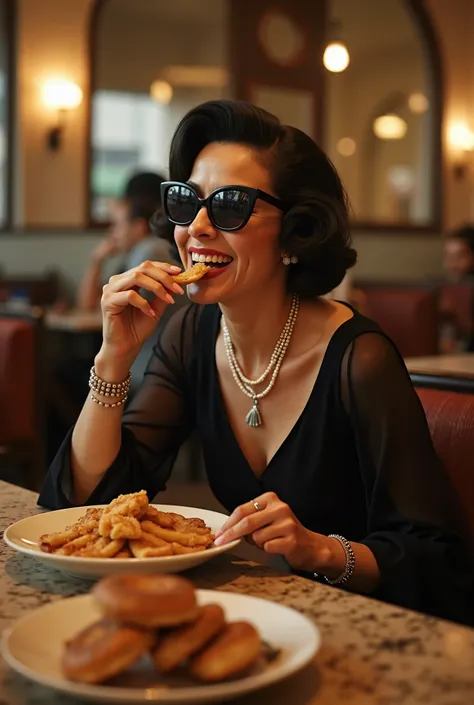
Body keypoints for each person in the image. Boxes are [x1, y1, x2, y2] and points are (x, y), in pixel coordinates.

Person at [41, 100, 473, 625]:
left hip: (362, 626)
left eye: (229, 206)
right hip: (258, 613)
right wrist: (113, 359)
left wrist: (322, 550)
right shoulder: (191, 334)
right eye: (188, 201)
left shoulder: (359, 358)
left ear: (295, 231)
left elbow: (434, 557)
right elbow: (92, 505)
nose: (196, 227)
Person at [77, 174, 178, 311]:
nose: (112, 232)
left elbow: (99, 309)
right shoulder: (137, 253)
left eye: (117, 225)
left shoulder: (149, 253)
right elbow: (93, 305)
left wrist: (96, 260)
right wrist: (97, 260)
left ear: (138, 227)